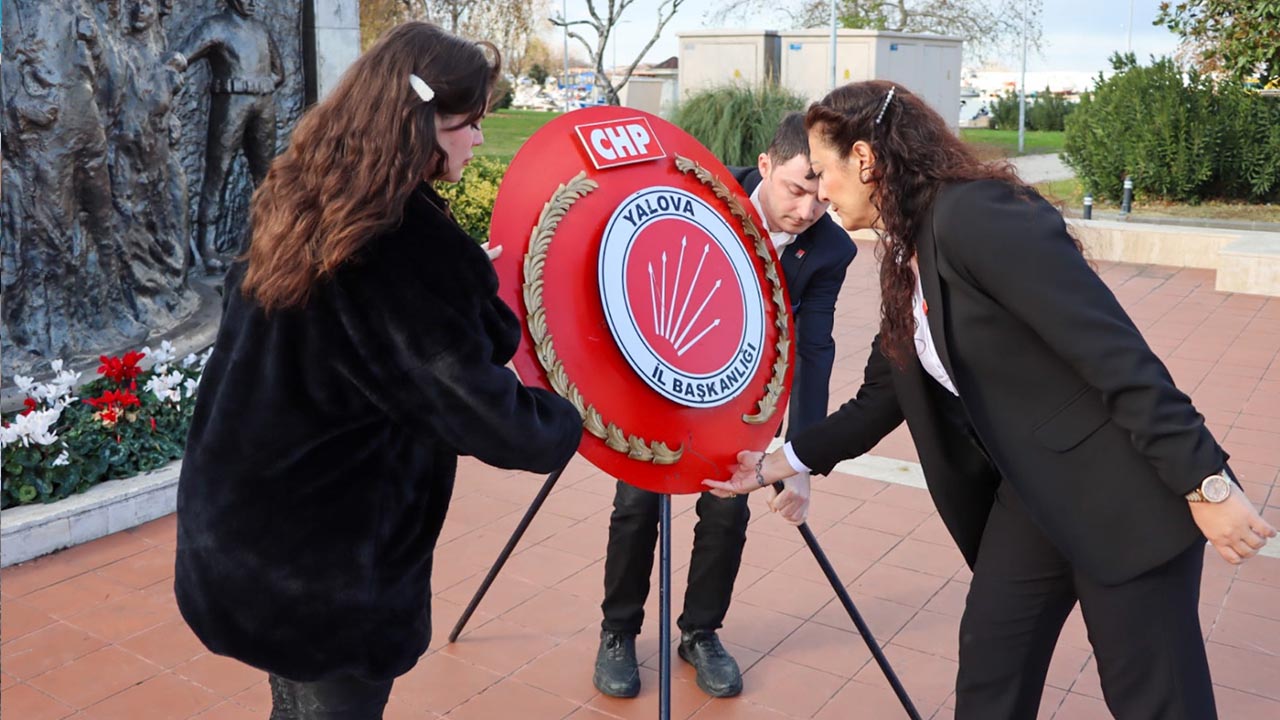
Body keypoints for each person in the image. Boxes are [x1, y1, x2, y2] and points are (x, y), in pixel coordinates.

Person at [705, 80, 1276, 720]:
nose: (821, 191)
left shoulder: (977, 214)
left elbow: (1114, 352)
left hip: (1123, 494)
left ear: (865, 161)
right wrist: (778, 462)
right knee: (989, 673)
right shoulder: (906, 250)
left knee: (1154, 700)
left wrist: (1205, 483)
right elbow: (879, 399)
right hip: (1033, 495)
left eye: (826, 171)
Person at [174, 22, 583, 720]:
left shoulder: (305, 192)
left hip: (243, 528)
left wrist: (460, 295)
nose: (479, 138)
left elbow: (370, 341)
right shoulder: (397, 246)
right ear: (421, 121)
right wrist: (566, 415)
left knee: (292, 703)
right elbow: (494, 420)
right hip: (326, 567)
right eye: (469, 122)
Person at [593, 113, 856, 699]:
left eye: (822, 199)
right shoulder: (700, 196)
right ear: (764, 167)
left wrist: (799, 458)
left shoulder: (830, 251)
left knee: (728, 506)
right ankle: (618, 632)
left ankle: (700, 632)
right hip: (659, 370)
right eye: (795, 190)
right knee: (637, 501)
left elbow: (814, 350)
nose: (808, 211)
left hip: (739, 394)